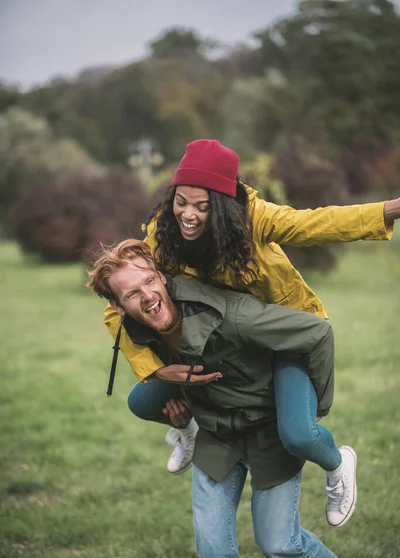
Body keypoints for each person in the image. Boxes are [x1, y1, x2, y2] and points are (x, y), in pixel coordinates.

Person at [104, 139, 399, 524]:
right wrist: (157, 369)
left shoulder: (253, 218)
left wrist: (391, 208)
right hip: (219, 339)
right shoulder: (164, 231)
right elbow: (117, 303)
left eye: (201, 206)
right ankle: (186, 429)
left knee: (298, 434)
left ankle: (337, 462)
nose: (188, 215)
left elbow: (318, 223)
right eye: (181, 201)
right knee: (143, 401)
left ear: (222, 206)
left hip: (280, 334)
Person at [86, 238, 363, 558]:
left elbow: (317, 332)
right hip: (217, 433)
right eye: (132, 294)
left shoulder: (231, 314)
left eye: (150, 282)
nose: (147, 296)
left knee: (279, 543)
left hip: (268, 430)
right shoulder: (136, 330)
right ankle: (186, 430)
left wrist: (311, 413)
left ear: (162, 277)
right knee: (214, 553)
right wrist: (182, 413)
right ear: (118, 307)